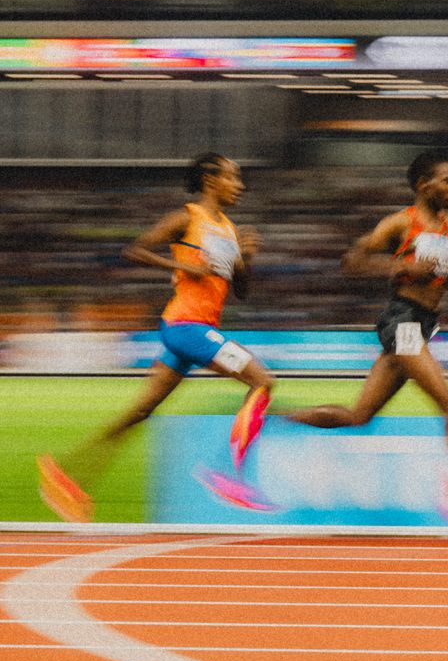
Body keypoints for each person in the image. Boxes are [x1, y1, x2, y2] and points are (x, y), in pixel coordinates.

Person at [285, 152, 448, 537]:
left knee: (358, 416)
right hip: (401, 320)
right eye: (447, 181)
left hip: (423, 323)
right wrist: (400, 267)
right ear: (422, 185)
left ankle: (276, 417)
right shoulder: (400, 223)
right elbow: (352, 261)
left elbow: (444, 284)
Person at [39, 153, 276, 521]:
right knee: (262, 382)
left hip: (192, 330)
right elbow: (135, 250)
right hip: (187, 327)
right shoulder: (186, 217)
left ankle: (66, 475)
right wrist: (182, 266)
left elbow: (241, 290)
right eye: (234, 178)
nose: (240, 186)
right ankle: (228, 474)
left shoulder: (228, 228)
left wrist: (246, 258)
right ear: (211, 180)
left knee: (141, 411)